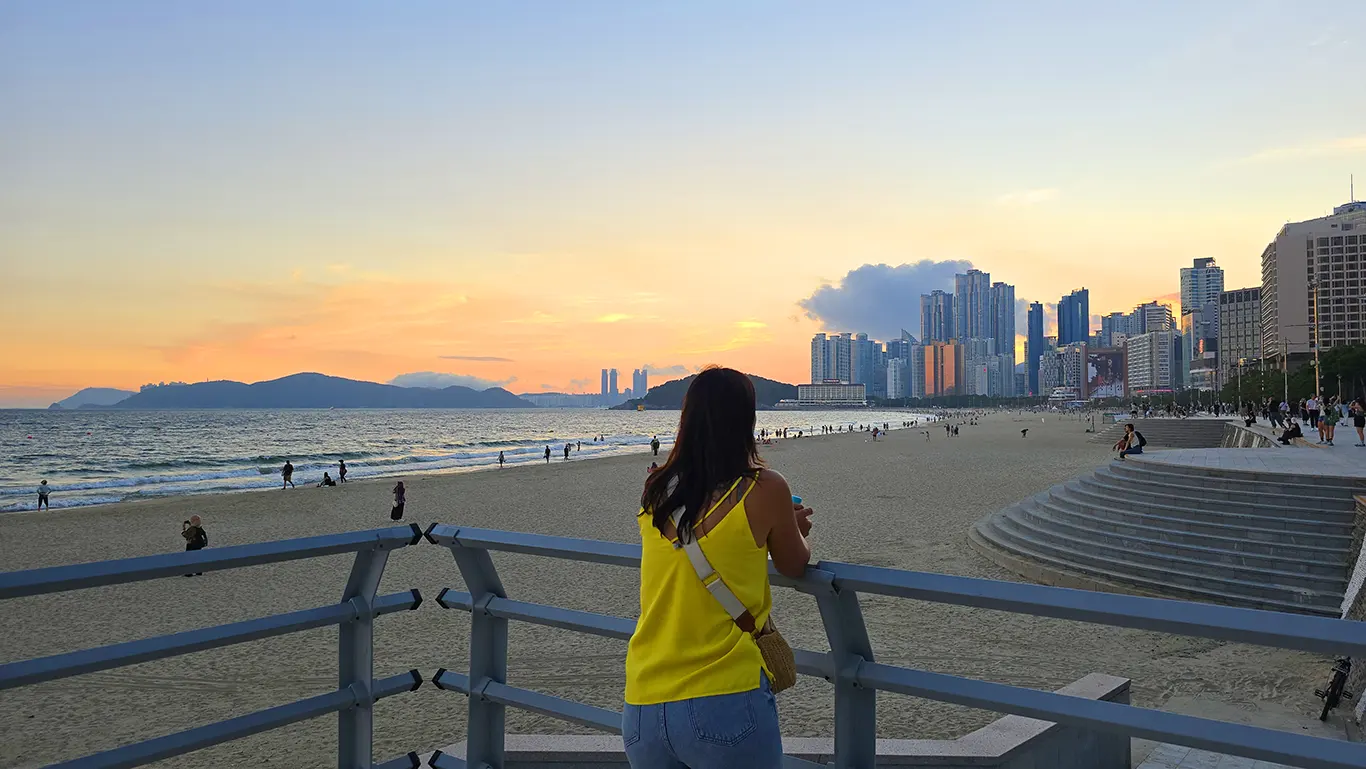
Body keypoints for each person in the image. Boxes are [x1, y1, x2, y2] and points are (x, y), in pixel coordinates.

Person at [624, 367, 813, 769]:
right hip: (724, 694)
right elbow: (794, 564)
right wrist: (794, 527)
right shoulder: (765, 487)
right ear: (746, 420)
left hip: (644, 701)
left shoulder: (656, 489)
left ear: (686, 418)